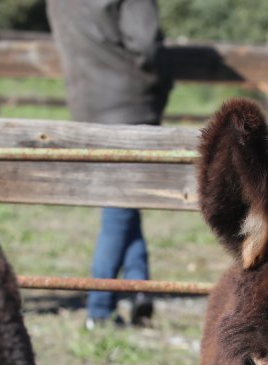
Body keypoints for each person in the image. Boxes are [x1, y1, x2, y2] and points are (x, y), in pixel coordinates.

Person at [47, 0, 173, 328]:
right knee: (118, 211)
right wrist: (160, 76)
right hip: (129, 103)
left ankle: (138, 288)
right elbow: (145, 43)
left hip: (86, 102)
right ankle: (99, 310)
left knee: (123, 204)